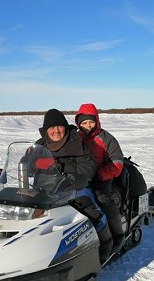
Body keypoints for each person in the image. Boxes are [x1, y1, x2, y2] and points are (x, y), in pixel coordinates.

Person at [35, 108, 113, 262]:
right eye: (51, 127)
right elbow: (27, 163)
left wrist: (66, 171)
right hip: (46, 191)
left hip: (76, 188)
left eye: (59, 126)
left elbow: (89, 167)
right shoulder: (39, 145)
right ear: (46, 130)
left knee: (93, 214)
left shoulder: (77, 141)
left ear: (65, 127)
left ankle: (106, 245)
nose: (56, 131)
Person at [75, 103, 125, 254]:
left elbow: (117, 161)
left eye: (91, 122)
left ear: (96, 121)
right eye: (84, 122)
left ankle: (118, 235)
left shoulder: (105, 137)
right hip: (81, 177)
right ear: (78, 123)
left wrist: (102, 174)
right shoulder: (75, 138)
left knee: (103, 199)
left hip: (102, 176)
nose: (88, 126)